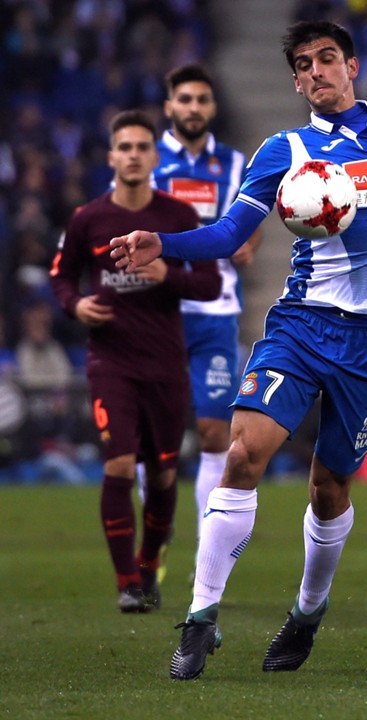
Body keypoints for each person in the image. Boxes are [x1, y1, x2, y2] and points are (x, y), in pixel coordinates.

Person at [110, 20, 367, 680]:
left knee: (329, 487)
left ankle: (307, 613)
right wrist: (164, 242)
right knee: (241, 452)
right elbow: (231, 232)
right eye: (304, 64)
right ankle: (201, 617)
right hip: (300, 325)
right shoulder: (282, 149)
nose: (316, 71)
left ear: (351, 65)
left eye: (328, 59)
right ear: (295, 80)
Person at [50, 110, 220, 613]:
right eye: (123, 147)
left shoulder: (178, 218)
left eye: (142, 147)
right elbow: (62, 278)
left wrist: (166, 274)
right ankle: (128, 582)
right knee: (119, 464)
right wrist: (75, 306)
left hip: (167, 364)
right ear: (111, 157)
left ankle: (149, 565)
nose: (132, 155)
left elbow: (209, 283)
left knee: (164, 476)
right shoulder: (88, 219)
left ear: (154, 156)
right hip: (111, 362)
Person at [154, 64, 264, 555]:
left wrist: (250, 242)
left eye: (202, 99)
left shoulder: (236, 162)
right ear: (169, 107)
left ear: (213, 108)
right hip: (156, 310)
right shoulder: (147, 158)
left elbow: (254, 215)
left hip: (216, 309)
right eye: (185, 99)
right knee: (154, 436)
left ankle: (206, 546)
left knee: (214, 429)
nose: (194, 108)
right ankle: (150, 541)